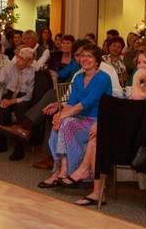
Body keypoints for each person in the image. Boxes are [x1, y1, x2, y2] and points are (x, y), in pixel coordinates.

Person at [70, 46, 146, 206]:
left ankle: (88, 177)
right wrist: (102, 124)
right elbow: (130, 113)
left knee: (100, 138)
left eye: (145, 63)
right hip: (139, 134)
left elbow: (139, 99)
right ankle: (96, 189)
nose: (140, 67)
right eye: (139, 63)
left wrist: (136, 79)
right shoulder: (142, 87)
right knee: (98, 138)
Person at [37, 44, 113, 188]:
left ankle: (64, 169)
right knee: (58, 126)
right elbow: (71, 102)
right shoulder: (79, 77)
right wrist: (59, 114)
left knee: (66, 123)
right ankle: (60, 170)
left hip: (97, 121)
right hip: (80, 118)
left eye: (89, 56)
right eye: (83, 56)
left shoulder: (103, 78)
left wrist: (63, 116)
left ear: (97, 60)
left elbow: (85, 103)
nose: (85, 59)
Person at [0, 47, 37, 160]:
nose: (18, 60)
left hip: (23, 97)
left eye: (22, 59)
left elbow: (29, 95)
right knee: (2, 110)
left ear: (29, 62)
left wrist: (13, 101)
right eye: (18, 57)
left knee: (21, 111)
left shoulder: (32, 71)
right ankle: (2, 142)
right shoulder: (9, 68)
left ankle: (19, 147)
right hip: (9, 93)